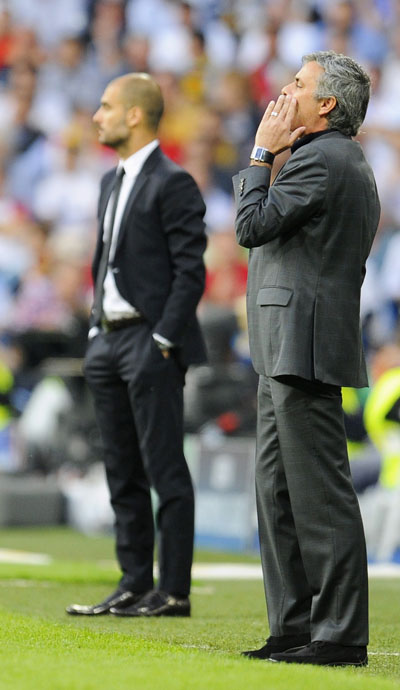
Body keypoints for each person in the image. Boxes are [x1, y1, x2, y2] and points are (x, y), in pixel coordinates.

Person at [233, 51, 380, 666]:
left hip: (302, 343)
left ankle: (340, 634)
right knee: (278, 491)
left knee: (317, 495)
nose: (283, 92)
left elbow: (251, 226)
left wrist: (261, 155)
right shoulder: (327, 158)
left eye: (297, 84)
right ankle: (293, 624)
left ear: (326, 105)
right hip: (283, 343)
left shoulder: (323, 159)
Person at [66, 73, 207, 617]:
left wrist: (165, 337)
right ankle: (132, 582)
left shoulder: (173, 182)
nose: (95, 116)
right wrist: (97, 329)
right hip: (108, 341)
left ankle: (172, 590)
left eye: (105, 107)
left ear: (134, 115)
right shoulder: (111, 181)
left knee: (164, 466)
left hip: (150, 341)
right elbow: (107, 260)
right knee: (121, 468)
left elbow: (190, 271)